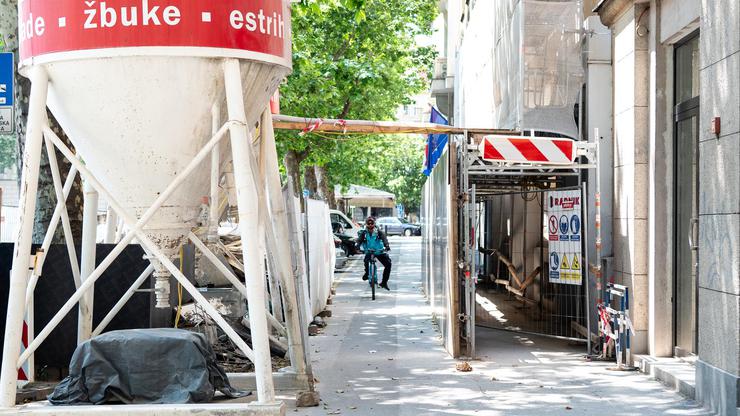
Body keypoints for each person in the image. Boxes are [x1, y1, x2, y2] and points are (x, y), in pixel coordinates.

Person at [356, 217, 392, 290]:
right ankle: (367, 273)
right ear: (366, 224)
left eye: (371, 223)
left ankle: (384, 283)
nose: (370, 225)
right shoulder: (364, 233)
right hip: (369, 251)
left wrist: (387, 246)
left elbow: (384, 238)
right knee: (366, 261)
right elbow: (359, 241)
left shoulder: (379, 232)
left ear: (374, 224)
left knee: (388, 264)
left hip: (379, 251)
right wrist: (357, 247)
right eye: (368, 224)